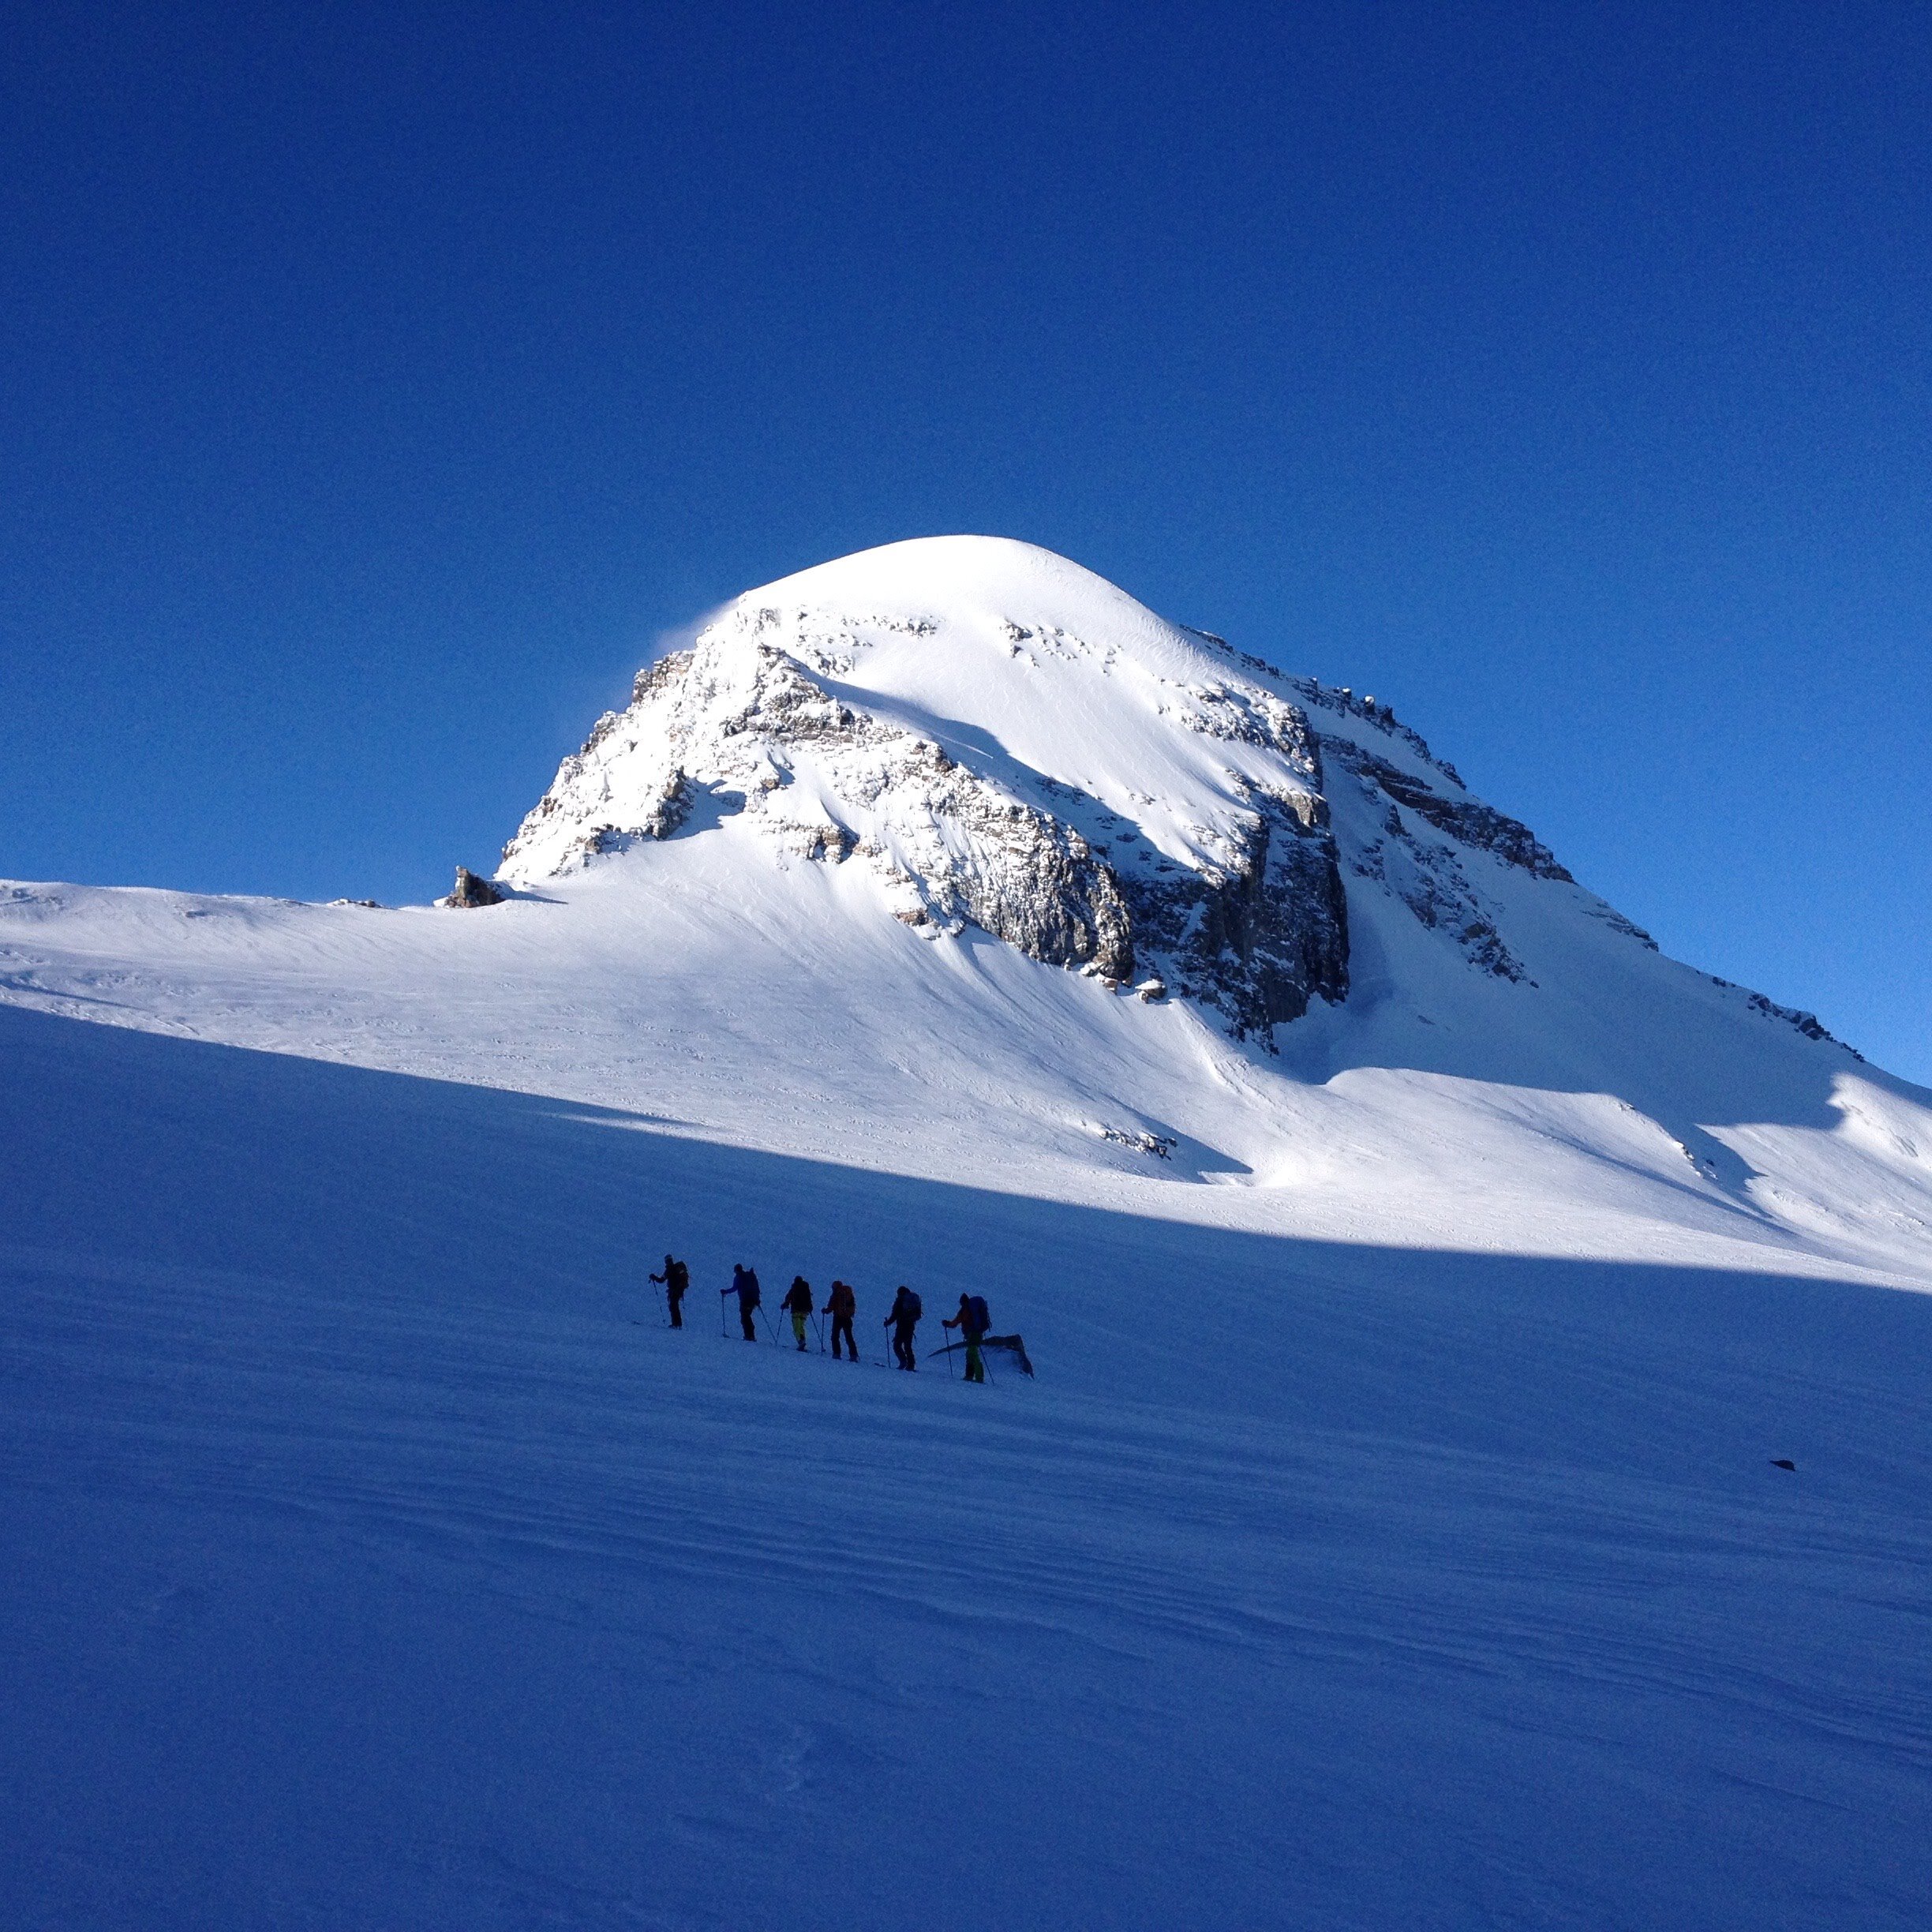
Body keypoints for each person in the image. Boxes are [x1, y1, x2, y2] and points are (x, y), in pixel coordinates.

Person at [944, 1291, 989, 1383]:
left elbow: (954, 1323)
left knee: (973, 1353)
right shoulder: (972, 1309)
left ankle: (977, 1377)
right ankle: (971, 1375)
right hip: (978, 1333)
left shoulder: (965, 1311)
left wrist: (947, 1324)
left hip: (972, 1334)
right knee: (970, 1353)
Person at [884, 1284, 922, 1370]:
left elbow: (895, 1315)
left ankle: (903, 1361)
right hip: (911, 1325)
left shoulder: (900, 1300)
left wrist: (888, 1323)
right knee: (908, 1346)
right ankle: (911, 1365)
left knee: (897, 1345)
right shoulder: (912, 1299)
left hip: (901, 1325)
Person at [650, 1253, 689, 1328]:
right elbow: (662, 1280)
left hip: (675, 1290)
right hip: (677, 1290)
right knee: (674, 1306)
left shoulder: (670, 1270)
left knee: (673, 1306)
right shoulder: (671, 1270)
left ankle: (676, 1324)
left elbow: (661, 1280)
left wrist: (654, 1277)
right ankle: (677, 1324)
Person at [724, 1263, 761, 1341]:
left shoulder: (739, 1277)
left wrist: (725, 1292)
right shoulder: (749, 1276)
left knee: (745, 1318)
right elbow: (756, 1288)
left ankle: (749, 1336)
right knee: (747, 1316)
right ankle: (751, 1335)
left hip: (745, 1300)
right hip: (753, 1301)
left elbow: (734, 1288)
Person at [826, 1279, 857, 1360]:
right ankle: (854, 1355)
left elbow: (831, 1307)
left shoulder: (836, 1294)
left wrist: (825, 1311)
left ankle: (837, 1354)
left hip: (838, 1318)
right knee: (849, 1337)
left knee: (835, 1336)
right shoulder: (848, 1293)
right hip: (848, 1318)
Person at [781, 1275, 814, 1351]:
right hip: (805, 1311)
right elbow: (809, 1299)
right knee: (801, 1326)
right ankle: (803, 1340)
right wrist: (810, 1308)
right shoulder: (806, 1289)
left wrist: (785, 1305)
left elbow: (788, 1297)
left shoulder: (794, 1288)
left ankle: (800, 1342)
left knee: (796, 1327)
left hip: (796, 1310)